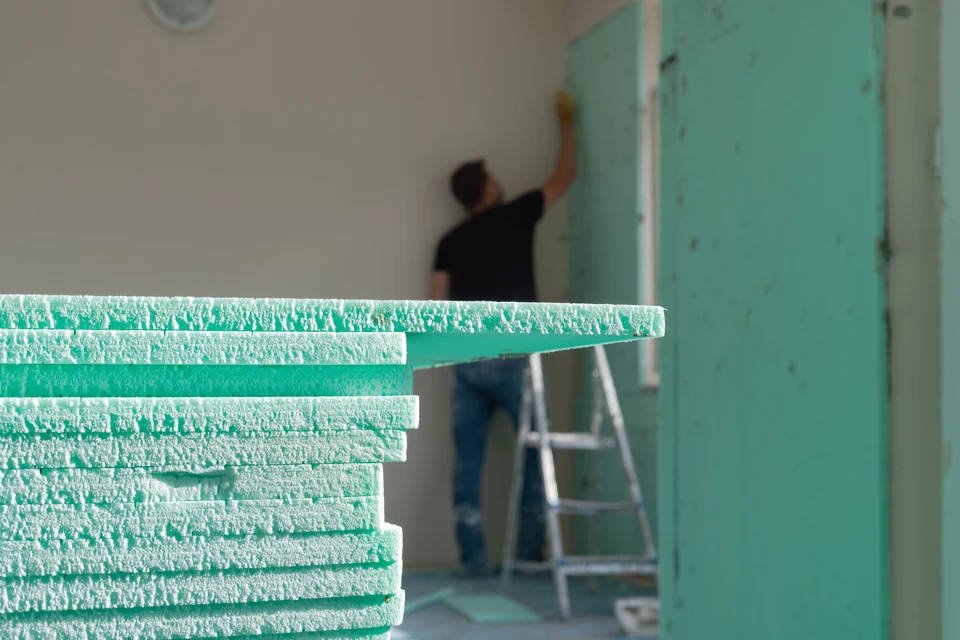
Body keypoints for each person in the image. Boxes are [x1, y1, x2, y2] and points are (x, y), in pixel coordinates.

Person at [430, 91, 578, 576]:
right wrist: (568, 127)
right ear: (487, 188)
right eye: (491, 176)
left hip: (468, 357)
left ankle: (473, 562)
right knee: (535, 453)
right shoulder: (517, 215)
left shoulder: (448, 243)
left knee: (467, 462)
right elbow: (564, 177)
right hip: (516, 352)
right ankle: (528, 556)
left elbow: (436, 308)